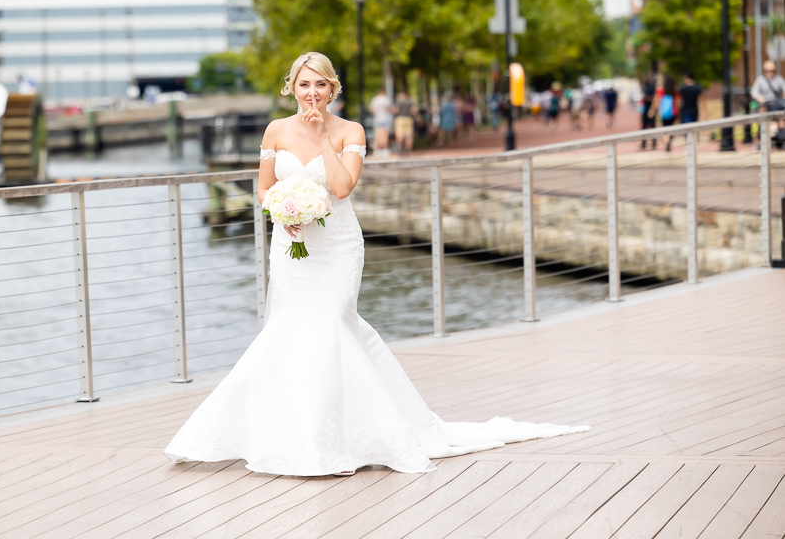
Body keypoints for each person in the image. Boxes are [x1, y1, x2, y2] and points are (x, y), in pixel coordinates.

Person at [164, 52, 588, 477]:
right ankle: (285, 434)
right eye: (304, 84)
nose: (312, 93)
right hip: (292, 245)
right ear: (291, 87)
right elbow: (263, 188)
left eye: (321, 85)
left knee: (332, 323)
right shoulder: (275, 130)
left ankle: (344, 437)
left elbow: (343, 187)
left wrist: (324, 140)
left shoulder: (351, 130)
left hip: (338, 246)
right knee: (289, 327)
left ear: (332, 88)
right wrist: (283, 214)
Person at [369, 88, 393, 156]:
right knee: (385, 135)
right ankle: (384, 150)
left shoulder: (375, 99)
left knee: (377, 135)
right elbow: (390, 109)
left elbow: (371, 110)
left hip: (377, 119)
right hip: (386, 119)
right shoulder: (386, 99)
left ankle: (377, 150)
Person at [640, 74, 657, 150]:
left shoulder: (651, 87)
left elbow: (654, 98)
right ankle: (644, 142)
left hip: (650, 109)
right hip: (645, 109)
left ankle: (653, 142)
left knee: (652, 126)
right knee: (644, 126)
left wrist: (645, 97)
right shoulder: (645, 87)